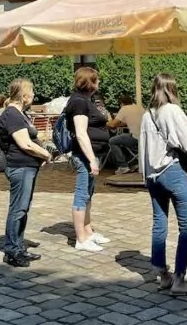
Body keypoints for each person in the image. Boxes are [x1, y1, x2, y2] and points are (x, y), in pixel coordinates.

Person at [139, 74, 187, 296]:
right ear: (172, 89)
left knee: (159, 223)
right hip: (172, 171)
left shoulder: (148, 114)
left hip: (152, 175)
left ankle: (162, 274)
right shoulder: (172, 111)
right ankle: (179, 279)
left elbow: (144, 149)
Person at [0, 79, 51, 268]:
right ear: (24, 95)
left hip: (28, 167)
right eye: (32, 92)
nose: (34, 95)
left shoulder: (19, 113)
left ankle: (19, 247)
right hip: (20, 168)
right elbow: (24, 143)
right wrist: (45, 154)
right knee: (18, 209)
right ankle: (12, 251)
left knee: (23, 209)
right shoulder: (12, 114)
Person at [65, 66, 111, 252]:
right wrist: (91, 159)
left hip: (92, 154)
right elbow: (81, 133)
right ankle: (81, 239)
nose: (99, 82)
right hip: (84, 155)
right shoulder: (78, 102)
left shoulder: (86, 100)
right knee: (82, 195)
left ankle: (88, 230)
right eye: (96, 79)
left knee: (88, 194)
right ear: (89, 81)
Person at [107, 95, 145, 174]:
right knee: (123, 138)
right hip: (145, 138)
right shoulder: (139, 107)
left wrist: (106, 122)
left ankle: (123, 166)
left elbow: (113, 125)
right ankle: (134, 162)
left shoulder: (124, 109)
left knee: (112, 141)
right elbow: (125, 123)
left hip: (136, 137)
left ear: (121, 103)